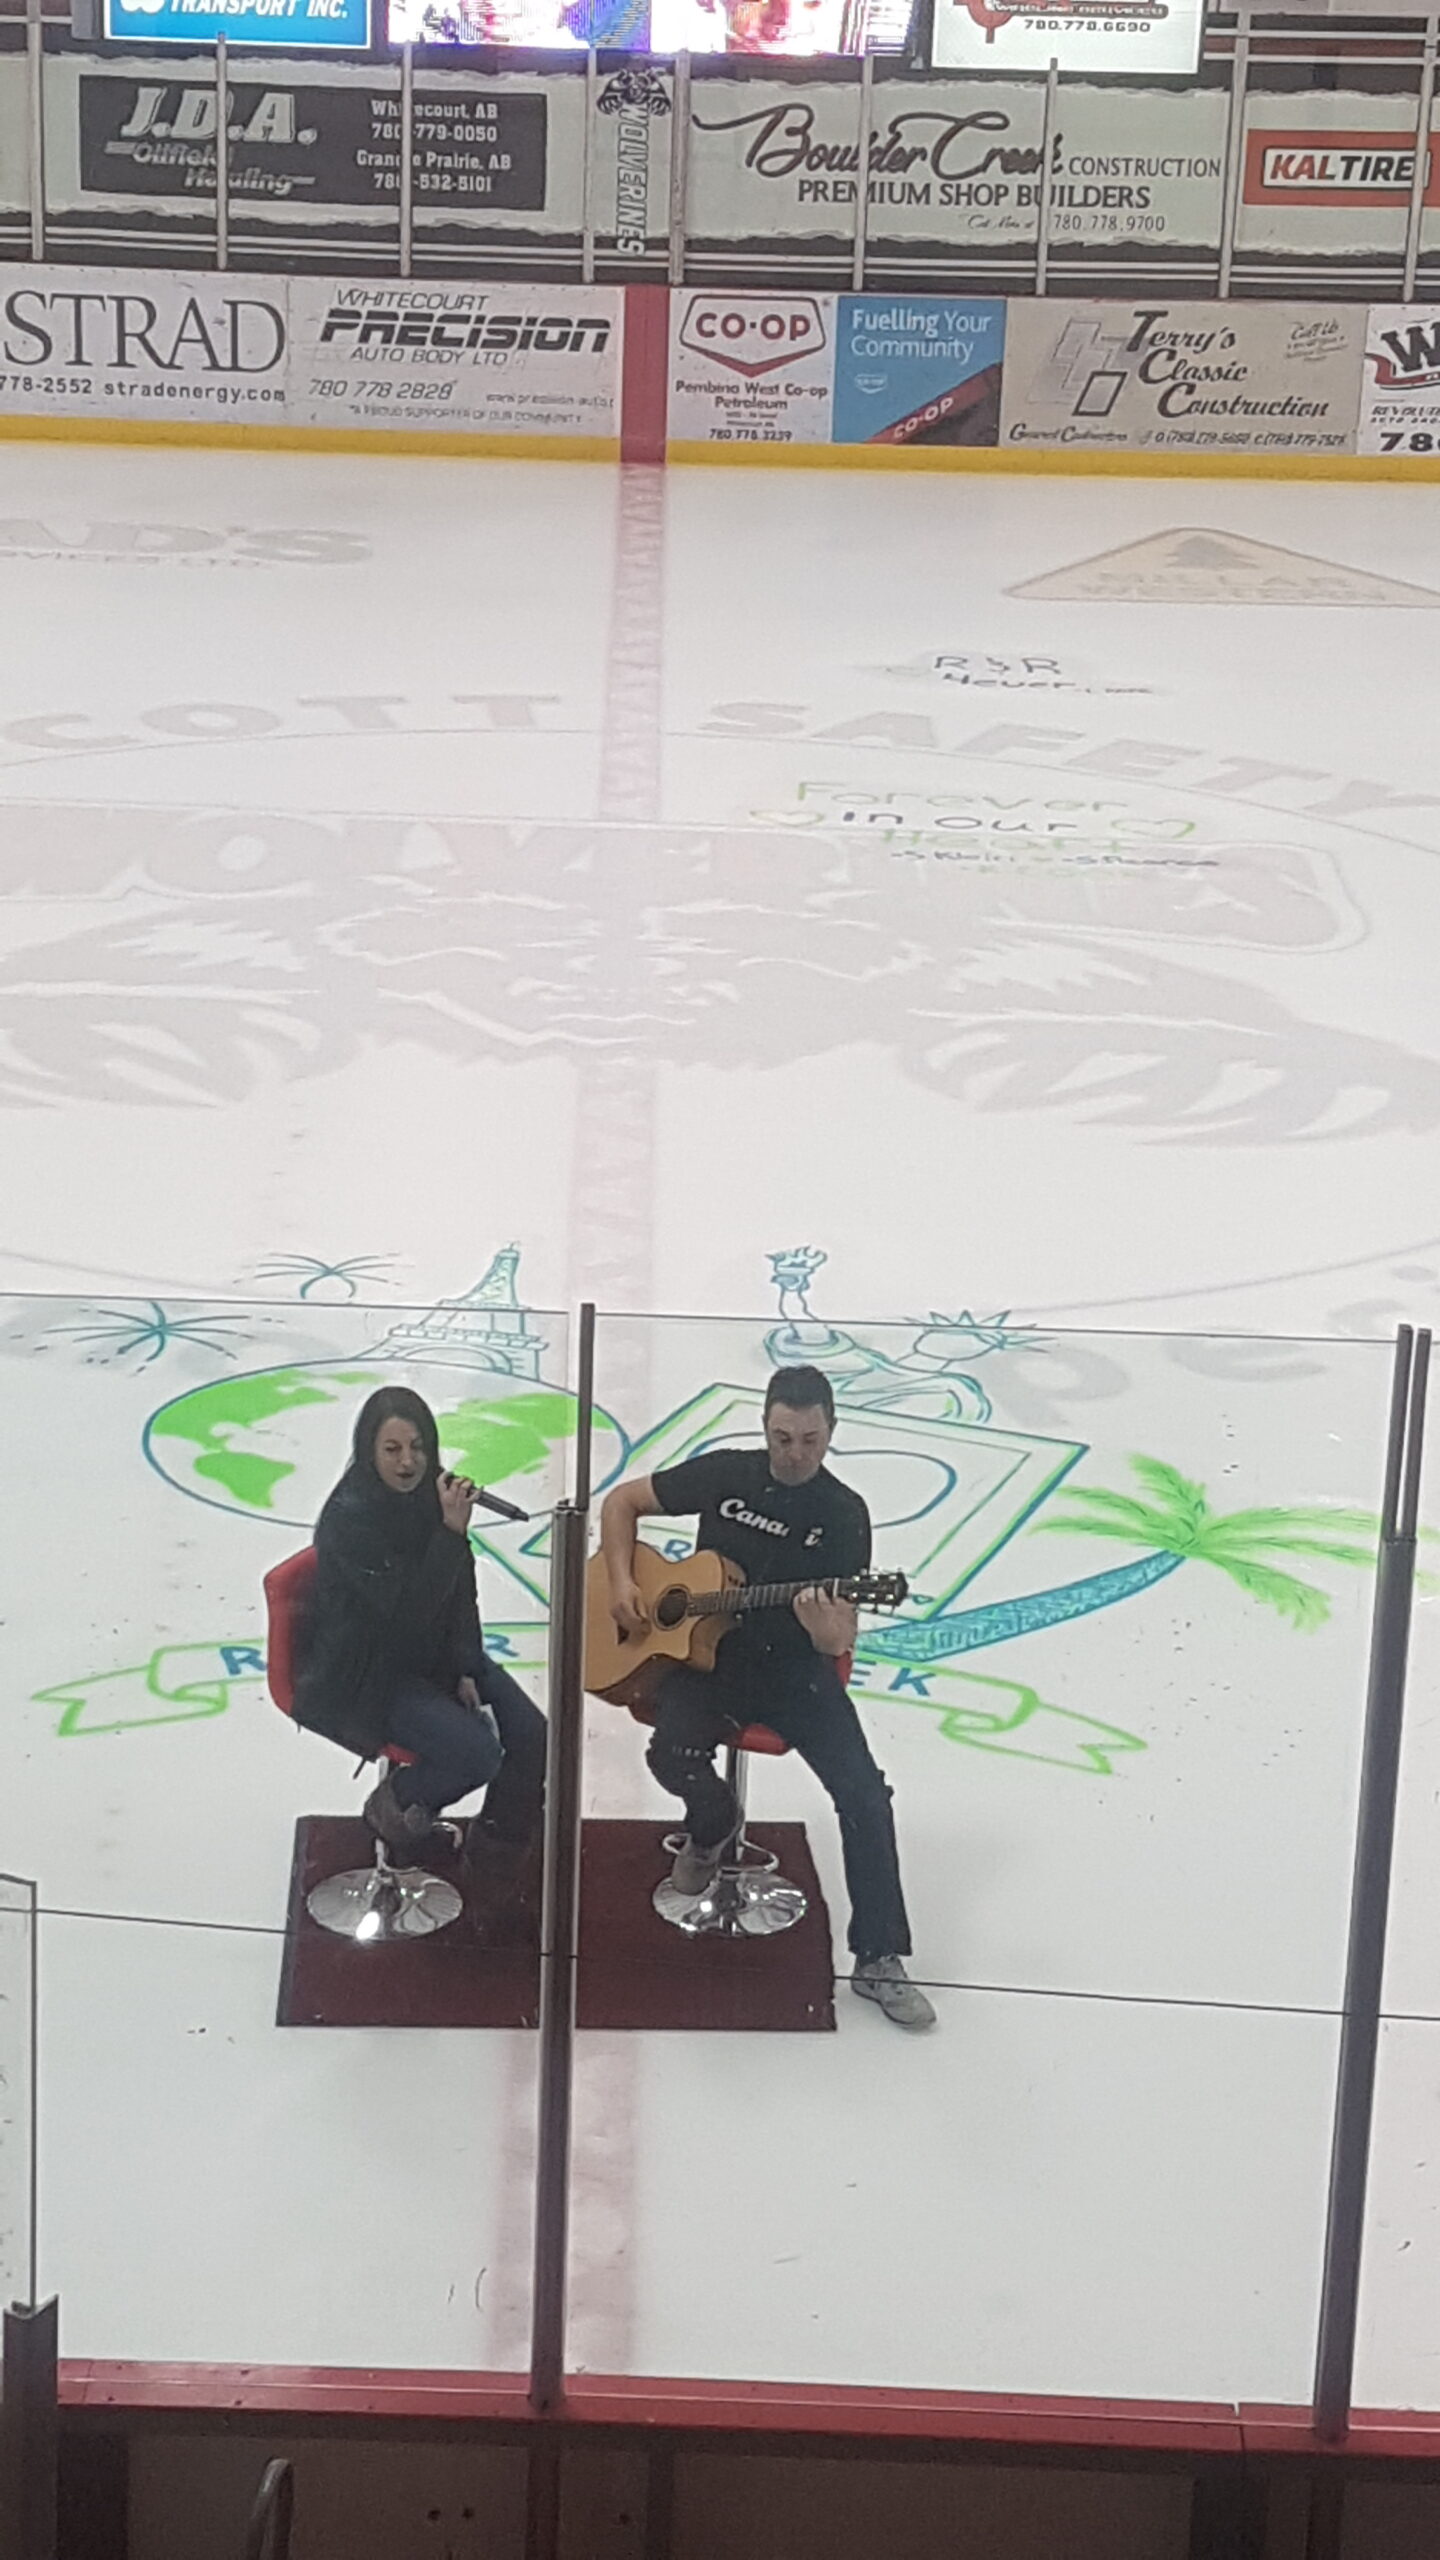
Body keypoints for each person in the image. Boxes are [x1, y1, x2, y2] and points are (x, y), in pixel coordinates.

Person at [600, 1364, 935, 2031]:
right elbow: (621, 1504)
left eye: (810, 1440)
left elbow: (840, 1635)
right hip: (710, 1660)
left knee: (865, 1795)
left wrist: (826, 1631)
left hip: (795, 1675)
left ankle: (878, 1956)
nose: (795, 1454)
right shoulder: (727, 1475)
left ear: (831, 1432)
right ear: (764, 1426)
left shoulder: (843, 1514)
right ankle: (711, 1824)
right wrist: (620, 1582)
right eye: (782, 1438)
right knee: (670, 1754)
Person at [292, 1386, 546, 1873]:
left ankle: (499, 1849)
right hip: (369, 1671)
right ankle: (395, 1809)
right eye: (392, 1449)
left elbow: (460, 1596)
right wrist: (451, 1534)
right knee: (476, 1754)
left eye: (418, 1447)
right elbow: (403, 1614)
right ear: (369, 1451)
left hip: (432, 1656)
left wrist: (465, 1667)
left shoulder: (434, 1498)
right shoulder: (349, 1520)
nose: (408, 1462)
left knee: (532, 1733)